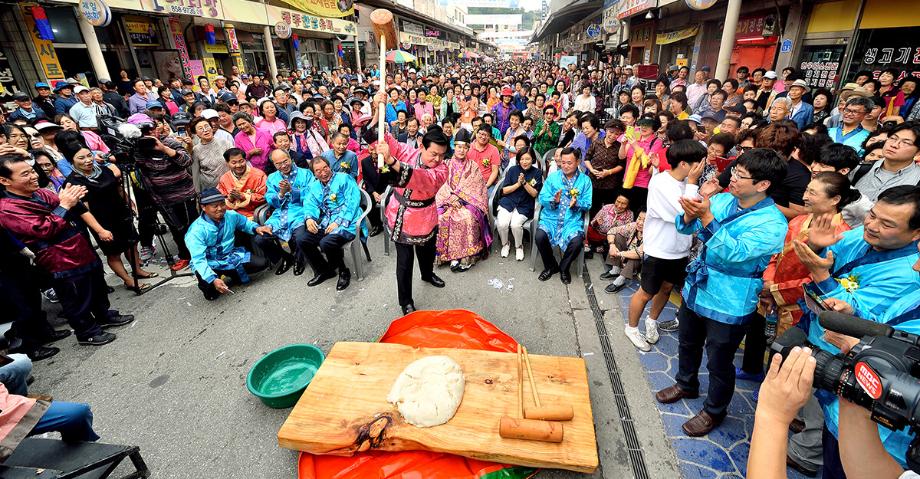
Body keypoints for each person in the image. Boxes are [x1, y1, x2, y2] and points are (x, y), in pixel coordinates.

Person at [656, 148, 788, 436]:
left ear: (763, 184)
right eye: (735, 172)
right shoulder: (725, 199)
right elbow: (686, 227)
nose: (733, 179)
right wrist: (695, 206)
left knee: (719, 360)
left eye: (741, 175)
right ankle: (686, 383)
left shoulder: (773, 223)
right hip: (698, 286)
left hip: (730, 298)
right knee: (687, 342)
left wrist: (704, 217)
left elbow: (734, 253)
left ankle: (714, 410)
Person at [791, 186, 920, 477]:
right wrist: (819, 248)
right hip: (824, 339)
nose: (872, 226)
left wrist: (822, 275)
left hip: (869, 391)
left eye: (887, 224)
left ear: (916, 233)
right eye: (872, 215)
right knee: (820, 415)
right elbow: (829, 262)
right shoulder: (862, 235)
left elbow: (872, 319)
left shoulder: (909, 274)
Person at [0, 155, 134, 346]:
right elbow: (43, 230)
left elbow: (70, 207)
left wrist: (70, 201)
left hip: (78, 246)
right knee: (75, 296)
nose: (34, 176)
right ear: (5, 181)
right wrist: (64, 204)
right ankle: (86, 332)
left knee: (95, 284)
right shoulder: (8, 208)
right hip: (57, 257)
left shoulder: (40, 193)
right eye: (25, 174)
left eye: (31, 171)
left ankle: (104, 315)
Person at [622, 140, 705, 350]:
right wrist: (694, 183)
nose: (702, 166)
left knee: (667, 288)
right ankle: (631, 328)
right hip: (659, 249)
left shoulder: (687, 183)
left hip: (680, 250)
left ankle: (652, 321)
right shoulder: (661, 183)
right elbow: (686, 213)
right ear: (685, 164)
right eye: (699, 162)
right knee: (646, 291)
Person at [58, 138, 155, 291]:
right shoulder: (74, 182)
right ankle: (128, 280)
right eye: (81, 158)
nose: (87, 160)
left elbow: (118, 188)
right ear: (71, 160)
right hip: (102, 221)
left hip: (121, 214)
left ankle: (137, 270)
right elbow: (84, 210)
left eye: (89, 155)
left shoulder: (104, 170)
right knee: (114, 252)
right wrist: (99, 230)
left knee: (132, 243)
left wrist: (129, 202)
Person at [376, 119, 450, 314]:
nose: (437, 159)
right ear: (421, 146)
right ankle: (405, 301)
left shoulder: (442, 170)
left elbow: (422, 179)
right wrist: (377, 112)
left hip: (425, 216)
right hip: (400, 215)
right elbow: (383, 140)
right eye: (433, 153)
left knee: (427, 252)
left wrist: (392, 161)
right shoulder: (407, 152)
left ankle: (427, 274)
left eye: (442, 155)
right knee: (405, 262)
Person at [185, 188, 284, 300]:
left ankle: (231, 273)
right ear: (204, 207)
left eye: (222, 204)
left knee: (262, 263)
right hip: (209, 261)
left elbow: (245, 223)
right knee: (211, 294)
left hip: (230, 256)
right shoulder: (195, 231)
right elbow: (198, 259)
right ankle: (210, 279)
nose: (220, 209)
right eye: (214, 206)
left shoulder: (231, 215)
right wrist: (212, 279)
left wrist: (257, 228)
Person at [131, 113, 197, 271]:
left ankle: (201, 254)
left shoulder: (169, 142)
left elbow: (187, 161)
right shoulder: (137, 150)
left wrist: (164, 149)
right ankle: (185, 256)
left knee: (193, 226)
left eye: (151, 128)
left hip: (184, 193)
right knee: (176, 229)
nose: (150, 133)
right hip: (161, 198)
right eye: (144, 131)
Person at [296, 157, 362, 290]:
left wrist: (338, 222)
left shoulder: (344, 178)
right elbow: (309, 203)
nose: (323, 173)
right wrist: (309, 219)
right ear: (314, 173)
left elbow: (353, 201)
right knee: (302, 239)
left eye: (325, 168)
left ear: (330, 166)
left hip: (348, 220)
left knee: (326, 243)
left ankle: (343, 270)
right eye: (318, 171)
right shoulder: (314, 186)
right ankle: (323, 270)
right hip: (327, 221)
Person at [434, 129, 492, 272]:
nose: (461, 150)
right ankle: (447, 255)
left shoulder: (473, 166)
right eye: (458, 147)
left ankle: (464, 256)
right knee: (441, 217)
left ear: (468, 149)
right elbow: (440, 185)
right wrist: (450, 198)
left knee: (467, 217)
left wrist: (459, 197)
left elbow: (477, 187)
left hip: (467, 202)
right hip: (447, 201)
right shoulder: (445, 164)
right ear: (454, 146)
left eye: (464, 147)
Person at [535, 147, 592, 285]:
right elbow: (542, 197)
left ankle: (564, 268)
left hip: (570, 221)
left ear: (578, 162)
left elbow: (588, 203)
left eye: (569, 163)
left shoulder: (585, 181)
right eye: (563, 162)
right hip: (551, 218)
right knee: (540, 236)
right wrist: (553, 201)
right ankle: (550, 266)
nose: (565, 166)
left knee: (577, 241)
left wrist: (577, 203)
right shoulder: (553, 178)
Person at [264, 149, 315, 276]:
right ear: (274, 165)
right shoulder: (272, 178)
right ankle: (286, 258)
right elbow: (270, 198)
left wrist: (293, 191)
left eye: (285, 161)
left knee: (300, 235)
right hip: (280, 213)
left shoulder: (306, 173)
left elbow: (312, 195)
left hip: (300, 211)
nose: (283, 165)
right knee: (261, 238)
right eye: (278, 164)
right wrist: (281, 193)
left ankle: (299, 259)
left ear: (290, 158)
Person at [496, 146, 543, 261]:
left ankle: (519, 246)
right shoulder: (512, 170)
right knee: (502, 224)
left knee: (515, 225)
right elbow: (504, 190)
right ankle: (505, 244)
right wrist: (518, 184)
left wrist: (524, 183)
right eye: (522, 159)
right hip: (508, 202)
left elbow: (534, 194)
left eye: (527, 159)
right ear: (518, 159)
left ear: (532, 159)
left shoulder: (537, 173)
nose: (524, 162)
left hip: (525, 205)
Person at [620, 115, 666, 214]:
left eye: (648, 125)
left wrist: (635, 145)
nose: (643, 127)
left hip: (642, 184)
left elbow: (647, 162)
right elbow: (621, 157)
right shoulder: (635, 136)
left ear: (654, 127)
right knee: (624, 211)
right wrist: (623, 145)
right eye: (642, 124)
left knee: (637, 212)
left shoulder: (657, 142)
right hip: (627, 180)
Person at [585, 119, 625, 217]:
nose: (613, 136)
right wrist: (591, 170)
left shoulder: (619, 147)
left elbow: (621, 165)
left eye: (616, 134)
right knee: (593, 207)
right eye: (611, 132)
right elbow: (587, 158)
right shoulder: (596, 143)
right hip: (594, 181)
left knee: (608, 209)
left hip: (610, 184)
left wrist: (608, 172)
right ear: (606, 130)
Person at [216, 147, 267, 220]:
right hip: (230, 215)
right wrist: (230, 199)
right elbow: (219, 200)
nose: (239, 165)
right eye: (234, 162)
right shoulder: (224, 178)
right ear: (227, 163)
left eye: (241, 161)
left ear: (245, 160)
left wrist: (244, 196)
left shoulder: (259, 175)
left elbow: (264, 197)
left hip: (252, 214)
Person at [603, 210, 646, 293]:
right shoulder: (633, 226)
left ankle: (621, 280)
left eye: (645, 221)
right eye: (639, 218)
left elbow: (639, 253)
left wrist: (618, 254)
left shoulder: (652, 234)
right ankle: (616, 270)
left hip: (642, 264)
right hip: (627, 254)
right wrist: (612, 245)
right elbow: (612, 231)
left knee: (635, 256)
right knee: (618, 236)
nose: (640, 223)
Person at [188, 118, 232, 191]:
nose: (205, 130)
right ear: (196, 133)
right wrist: (198, 193)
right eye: (200, 128)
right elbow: (195, 174)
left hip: (229, 185)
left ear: (211, 128)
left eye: (207, 126)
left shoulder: (225, 143)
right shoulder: (196, 150)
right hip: (210, 190)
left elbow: (235, 162)